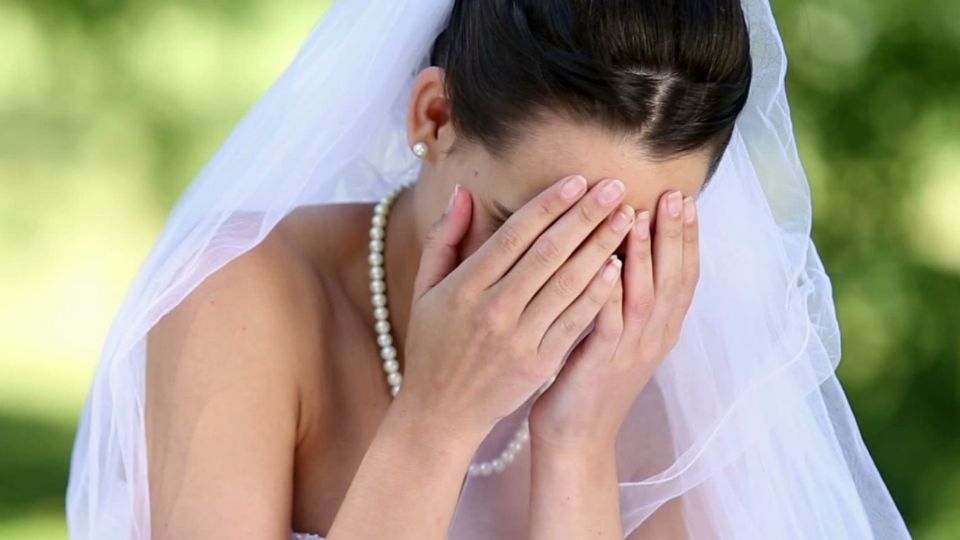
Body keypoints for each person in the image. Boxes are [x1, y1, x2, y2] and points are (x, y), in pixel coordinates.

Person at [66, 0, 911, 539]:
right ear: (435, 118)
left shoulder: (670, 377)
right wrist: (436, 420)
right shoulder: (241, 295)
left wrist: (579, 444)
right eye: (531, 230)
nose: (576, 289)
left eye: (625, 240)